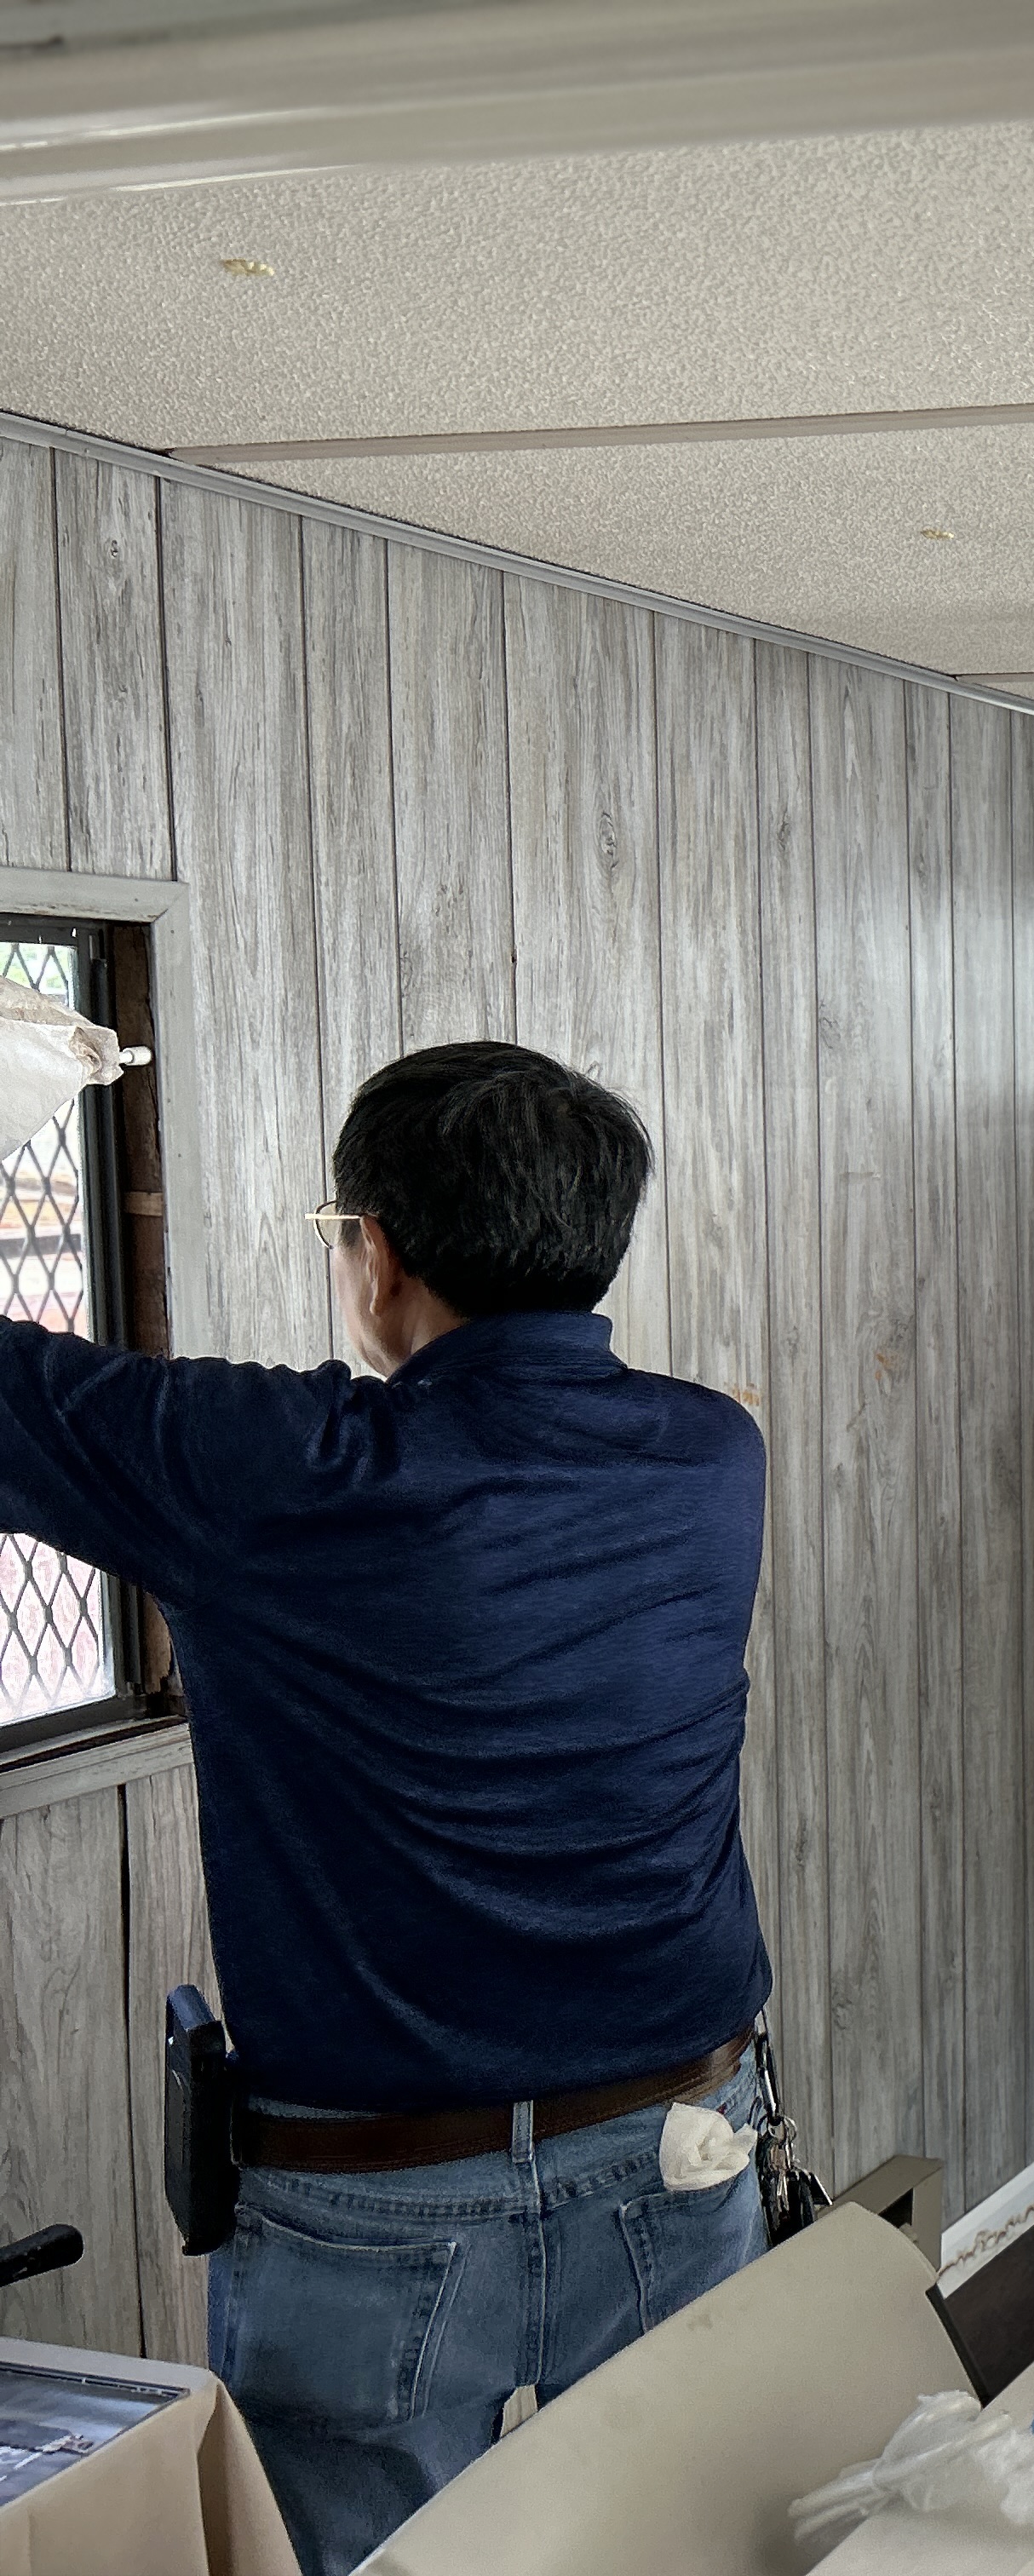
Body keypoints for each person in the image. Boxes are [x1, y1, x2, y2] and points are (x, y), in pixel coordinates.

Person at [0, 1041, 773, 2576]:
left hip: (373, 2201)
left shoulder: (270, 1472)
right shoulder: (710, 1454)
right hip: (678, 2144)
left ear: (379, 1253)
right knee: (682, 2548)